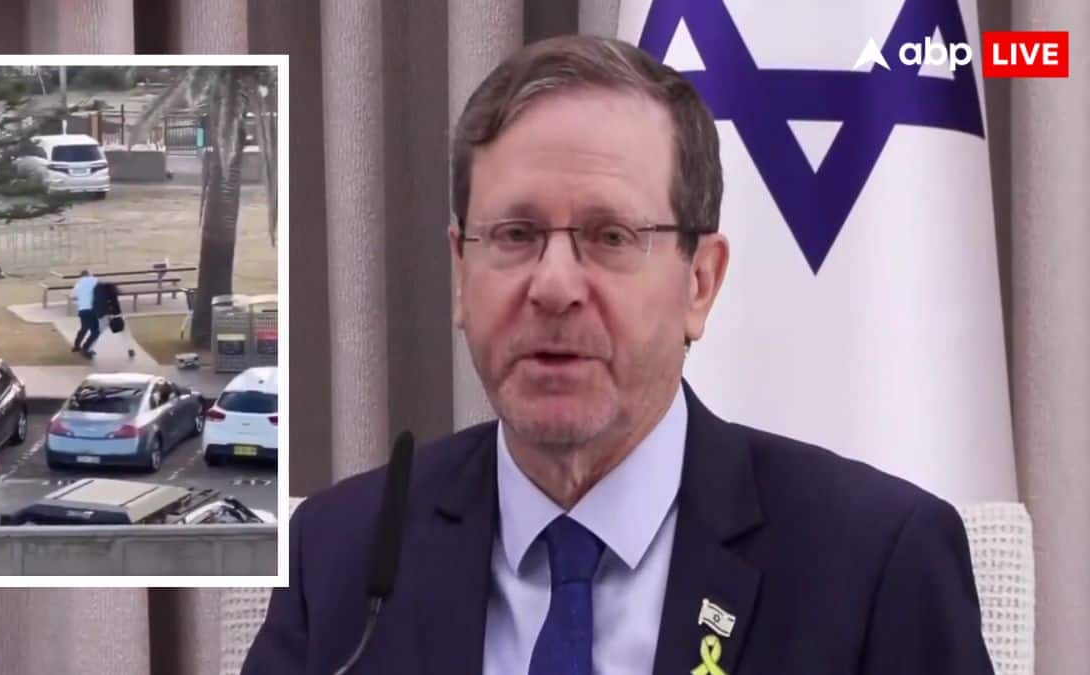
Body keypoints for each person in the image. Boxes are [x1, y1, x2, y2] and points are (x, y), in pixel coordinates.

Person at [242, 36, 993, 675]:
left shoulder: (875, 564)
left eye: (611, 237)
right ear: (461, 273)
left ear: (700, 283)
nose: (554, 287)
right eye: (515, 235)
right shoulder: (341, 555)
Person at [70, 269, 100, 358]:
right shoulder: (94, 281)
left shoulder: (78, 284)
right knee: (95, 331)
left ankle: (76, 345)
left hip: (82, 310)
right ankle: (86, 348)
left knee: (84, 328)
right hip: (92, 309)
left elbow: (72, 296)